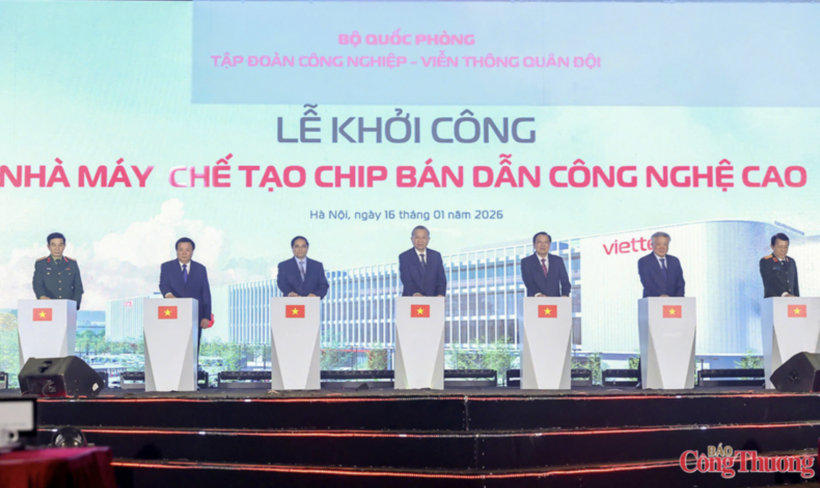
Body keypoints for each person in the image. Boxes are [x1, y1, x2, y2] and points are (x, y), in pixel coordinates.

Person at [159, 237, 212, 357]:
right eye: (181, 249)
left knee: (192, 350)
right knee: (174, 348)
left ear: (192, 251)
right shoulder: (167, 267)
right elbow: (163, 284)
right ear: (176, 251)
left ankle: (193, 374)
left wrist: (206, 316)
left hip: (195, 315)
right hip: (173, 314)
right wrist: (169, 296)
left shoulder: (200, 269)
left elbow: (205, 292)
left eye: (187, 250)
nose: (184, 252)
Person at [32, 232, 84, 309]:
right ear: (48, 246)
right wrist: (42, 296)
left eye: (60, 245)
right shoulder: (41, 264)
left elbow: (78, 288)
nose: (57, 248)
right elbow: (37, 284)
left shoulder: (72, 263)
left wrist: (74, 305)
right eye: (53, 245)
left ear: (64, 246)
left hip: (68, 308)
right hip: (48, 307)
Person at [399, 225, 446, 297]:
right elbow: (406, 279)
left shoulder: (436, 256)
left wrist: (441, 294)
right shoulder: (405, 257)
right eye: (417, 237)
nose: (420, 241)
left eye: (423, 238)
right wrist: (415, 293)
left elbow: (441, 278)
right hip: (411, 300)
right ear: (412, 239)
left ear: (428, 239)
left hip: (433, 300)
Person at [520, 232, 571, 297]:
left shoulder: (558, 261)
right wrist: (538, 294)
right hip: (535, 302)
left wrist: (565, 295)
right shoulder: (526, 262)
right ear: (534, 245)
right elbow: (528, 282)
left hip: (555, 303)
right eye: (539, 242)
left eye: (546, 243)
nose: (543, 245)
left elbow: (565, 282)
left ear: (549, 245)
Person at [638, 231, 685, 298]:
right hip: (653, 302)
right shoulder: (644, 261)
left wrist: (678, 299)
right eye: (658, 244)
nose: (662, 247)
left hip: (674, 304)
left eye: (665, 244)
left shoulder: (674, 261)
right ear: (652, 245)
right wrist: (661, 296)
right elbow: (647, 283)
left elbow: (680, 283)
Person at [760, 232, 799, 298]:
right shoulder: (766, 261)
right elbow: (770, 281)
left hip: (792, 302)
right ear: (772, 246)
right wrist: (784, 294)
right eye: (780, 247)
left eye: (785, 247)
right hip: (774, 302)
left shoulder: (791, 261)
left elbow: (795, 285)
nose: (783, 250)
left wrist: (798, 299)